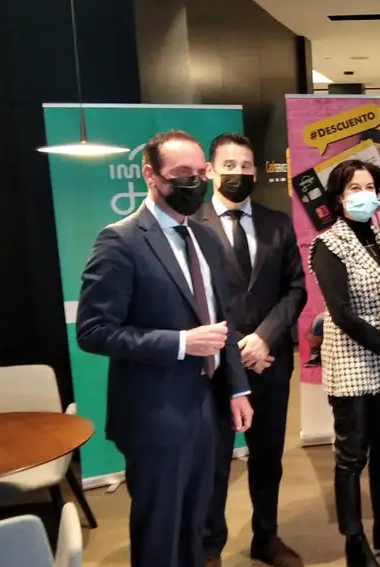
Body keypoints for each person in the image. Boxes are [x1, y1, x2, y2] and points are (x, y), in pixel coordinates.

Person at [75, 129, 253, 567]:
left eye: (199, 172)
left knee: (198, 519)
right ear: (150, 175)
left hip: (208, 409)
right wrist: (179, 344)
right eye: (181, 174)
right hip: (155, 414)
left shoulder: (207, 238)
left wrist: (237, 388)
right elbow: (93, 331)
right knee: (159, 529)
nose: (193, 182)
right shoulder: (120, 241)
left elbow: (222, 320)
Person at [196, 133, 307, 567]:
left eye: (246, 166)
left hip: (270, 361)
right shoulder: (191, 224)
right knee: (215, 461)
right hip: (213, 367)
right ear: (209, 170)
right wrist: (233, 347)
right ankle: (210, 547)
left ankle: (267, 536)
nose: (238, 173)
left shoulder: (277, 222)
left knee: (268, 457)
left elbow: (295, 289)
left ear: (256, 172)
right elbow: (191, 296)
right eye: (229, 165)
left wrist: (263, 337)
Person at [308, 159, 380, 567]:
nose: (364, 194)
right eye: (354, 187)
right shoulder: (328, 244)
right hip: (356, 361)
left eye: (370, 186)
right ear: (338, 197)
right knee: (352, 456)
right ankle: (354, 542)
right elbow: (341, 312)